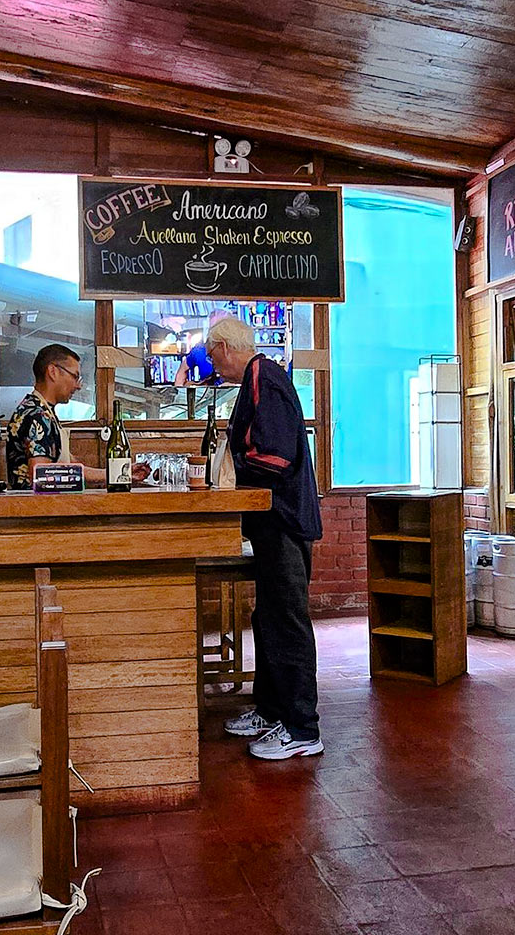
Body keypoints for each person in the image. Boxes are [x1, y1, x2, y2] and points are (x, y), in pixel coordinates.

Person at [205, 316, 323, 760]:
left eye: (212, 355)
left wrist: (230, 474)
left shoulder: (264, 379)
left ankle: (302, 728)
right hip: (271, 522)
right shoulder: (259, 378)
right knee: (269, 618)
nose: (212, 364)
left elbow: (273, 455)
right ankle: (272, 711)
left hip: (285, 520)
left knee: (288, 621)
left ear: (224, 347)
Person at [6, 343, 148, 489]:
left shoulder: (43, 411)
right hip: (39, 509)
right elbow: (41, 475)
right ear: (53, 371)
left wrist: (120, 473)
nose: (78, 386)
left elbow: (72, 467)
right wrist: (116, 474)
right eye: (75, 376)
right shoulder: (37, 415)